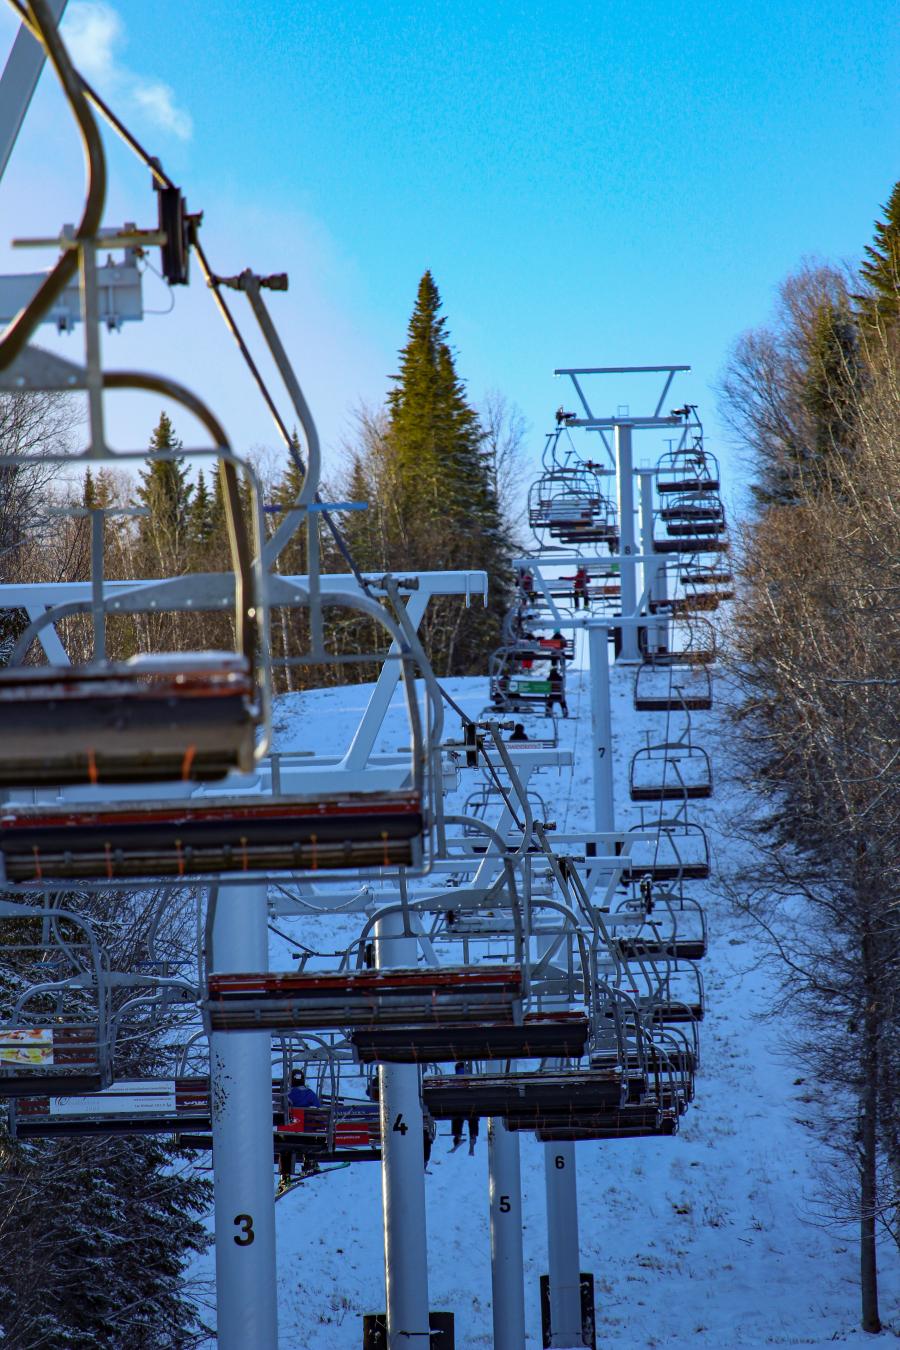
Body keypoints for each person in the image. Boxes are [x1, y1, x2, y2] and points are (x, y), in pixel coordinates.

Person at [450, 1061, 479, 1155]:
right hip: (471, 1108)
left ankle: (457, 1137)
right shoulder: (471, 1079)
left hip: (458, 1108)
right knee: (473, 1117)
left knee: (456, 1117)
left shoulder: (453, 1080)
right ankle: (473, 1137)